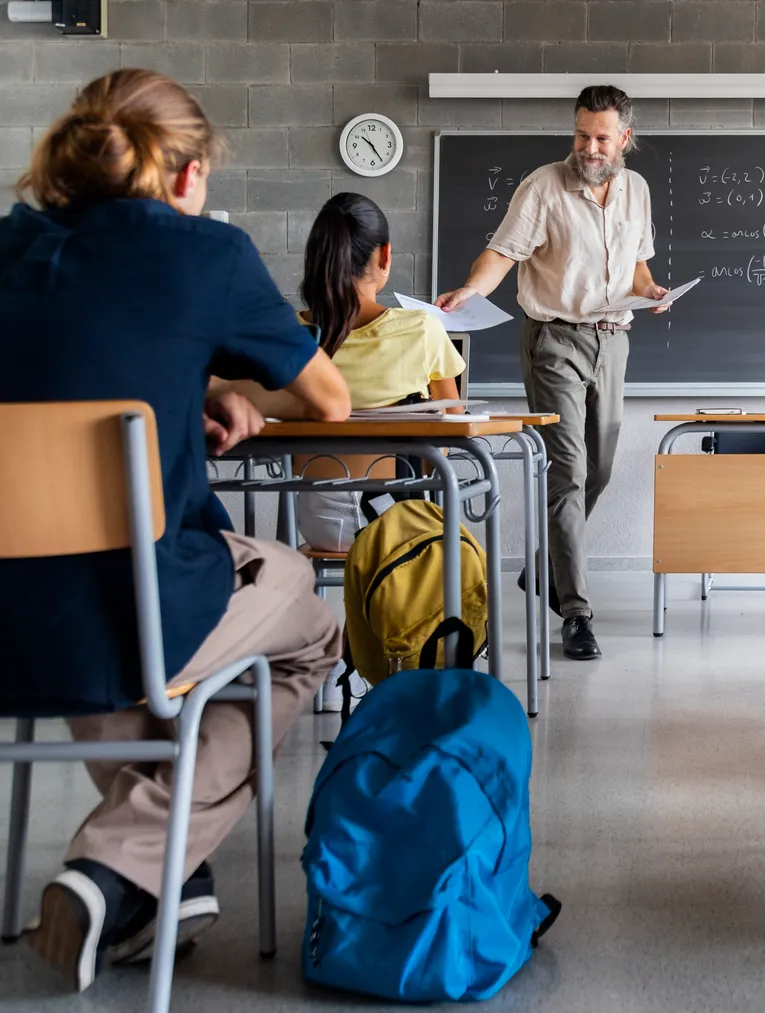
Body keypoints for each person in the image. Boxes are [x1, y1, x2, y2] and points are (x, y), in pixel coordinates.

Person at [0, 69, 350, 991]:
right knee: (308, 628)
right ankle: (120, 864)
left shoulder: (8, 246)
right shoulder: (207, 254)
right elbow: (328, 396)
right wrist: (230, 386)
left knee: (102, 616)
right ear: (188, 174)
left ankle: (175, 883)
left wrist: (188, 386)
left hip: (17, 622)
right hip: (138, 603)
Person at [436, 84, 668, 662]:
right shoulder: (543, 185)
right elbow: (503, 253)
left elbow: (637, 266)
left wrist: (652, 291)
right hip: (553, 340)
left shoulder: (636, 189)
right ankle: (576, 613)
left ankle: (543, 567)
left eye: (601, 138)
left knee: (602, 467)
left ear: (624, 139)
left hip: (614, 338)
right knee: (567, 471)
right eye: (582, 135)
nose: (590, 148)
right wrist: (470, 288)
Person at [291, 192, 466, 552]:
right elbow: (452, 423)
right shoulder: (421, 328)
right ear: (384, 255)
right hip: (402, 520)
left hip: (321, 524)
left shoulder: (291, 336)